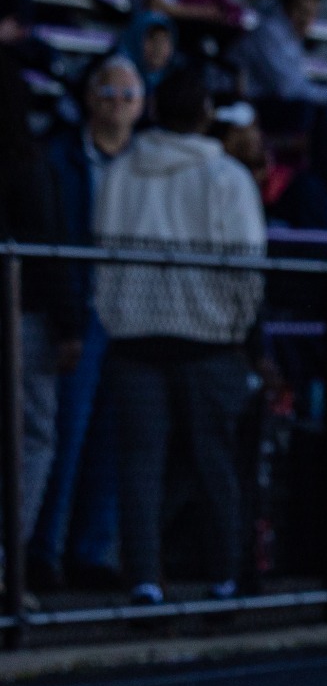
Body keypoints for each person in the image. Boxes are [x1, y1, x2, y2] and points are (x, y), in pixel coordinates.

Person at [94, 68, 265, 607]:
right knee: (215, 460)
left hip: (135, 338)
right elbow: (247, 264)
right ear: (206, 113)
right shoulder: (227, 177)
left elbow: (102, 254)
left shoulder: (122, 171)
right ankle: (227, 576)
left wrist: (116, 313)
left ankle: (145, 578)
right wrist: (235, 325)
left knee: (140, 463)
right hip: (209, 339)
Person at [29, 55, 143, 594]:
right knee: (63, 434)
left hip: (132, 312)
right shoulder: (61, 156)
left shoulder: (148, 162)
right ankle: (42, 549)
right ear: (89, 98)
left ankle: (91, 550)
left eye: (129, 95)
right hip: (81, 308)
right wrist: (66, 313)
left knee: (114, 439)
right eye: (109, 93)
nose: (118, 105)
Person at [0, 54, 85, 606]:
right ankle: (8, 565)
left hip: (26, 312)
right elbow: (46, 246)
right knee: (33, 437)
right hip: (23, 317)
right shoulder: (28, 163)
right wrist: (70, 323)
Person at [230, 0, 327, 121]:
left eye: (311, 14)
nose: (305, 20)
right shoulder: (269, 32)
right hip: (234, 97)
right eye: (302, 11)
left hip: (262, 100)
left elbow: (299, 82)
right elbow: (288, 90)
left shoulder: (293, 38)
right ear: (287, 7)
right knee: (304, 110)